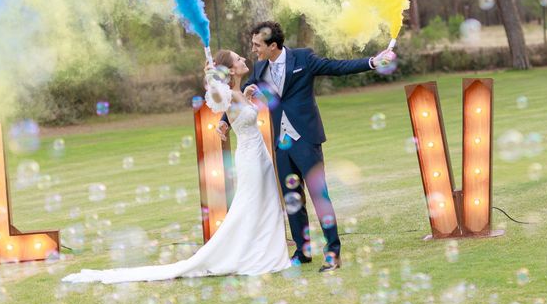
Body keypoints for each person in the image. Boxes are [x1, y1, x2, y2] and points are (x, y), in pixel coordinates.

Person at [62, 50, 291, 284]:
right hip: (250, 157)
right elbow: (216, 95)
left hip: (258, 155)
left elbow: (241, 113)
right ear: (231, 69)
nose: (244, 59)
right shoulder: (226, 95)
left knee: (265, 201)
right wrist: (210, 77)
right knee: (250, 203)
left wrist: (247, 96)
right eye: (238, 59)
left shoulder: (237, 94)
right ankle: (250, 255)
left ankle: (263, 250)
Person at [218, 21, 394, 272]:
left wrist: (372, 62)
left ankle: (333, 252)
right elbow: (240, 96)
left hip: (307, 139)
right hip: (281, 143)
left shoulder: (304, 58)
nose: (253, 49)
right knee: (293, 199)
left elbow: (337, 67)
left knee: (319, 196)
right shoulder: (259, 67)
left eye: (257, 45)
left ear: (273, 46)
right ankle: (302, 251)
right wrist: (225, 121)